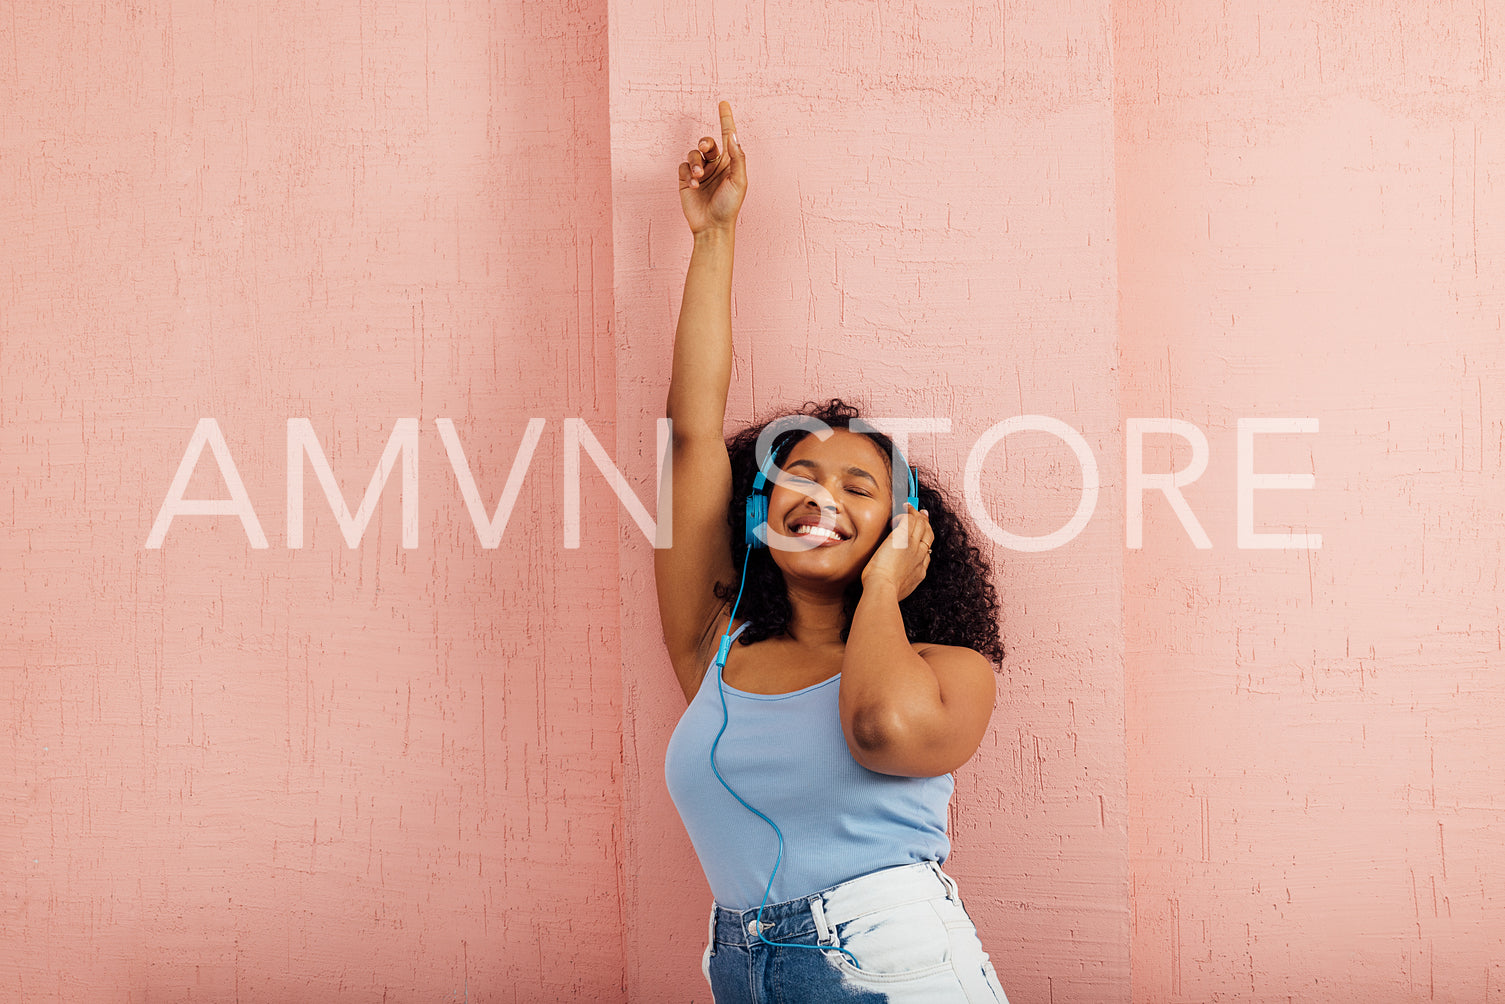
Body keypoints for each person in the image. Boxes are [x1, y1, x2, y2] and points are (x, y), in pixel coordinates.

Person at [656, 101, 1011, 1004]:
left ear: (901, 529)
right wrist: (714, 235)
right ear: (757, 511)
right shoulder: (714, 646)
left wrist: (885, 592)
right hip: (741, 966)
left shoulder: (947, 667)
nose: (821, 497)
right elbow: (692, 436)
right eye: (798, 475)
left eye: (859, 489)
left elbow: (881, 731)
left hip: (898, 959)